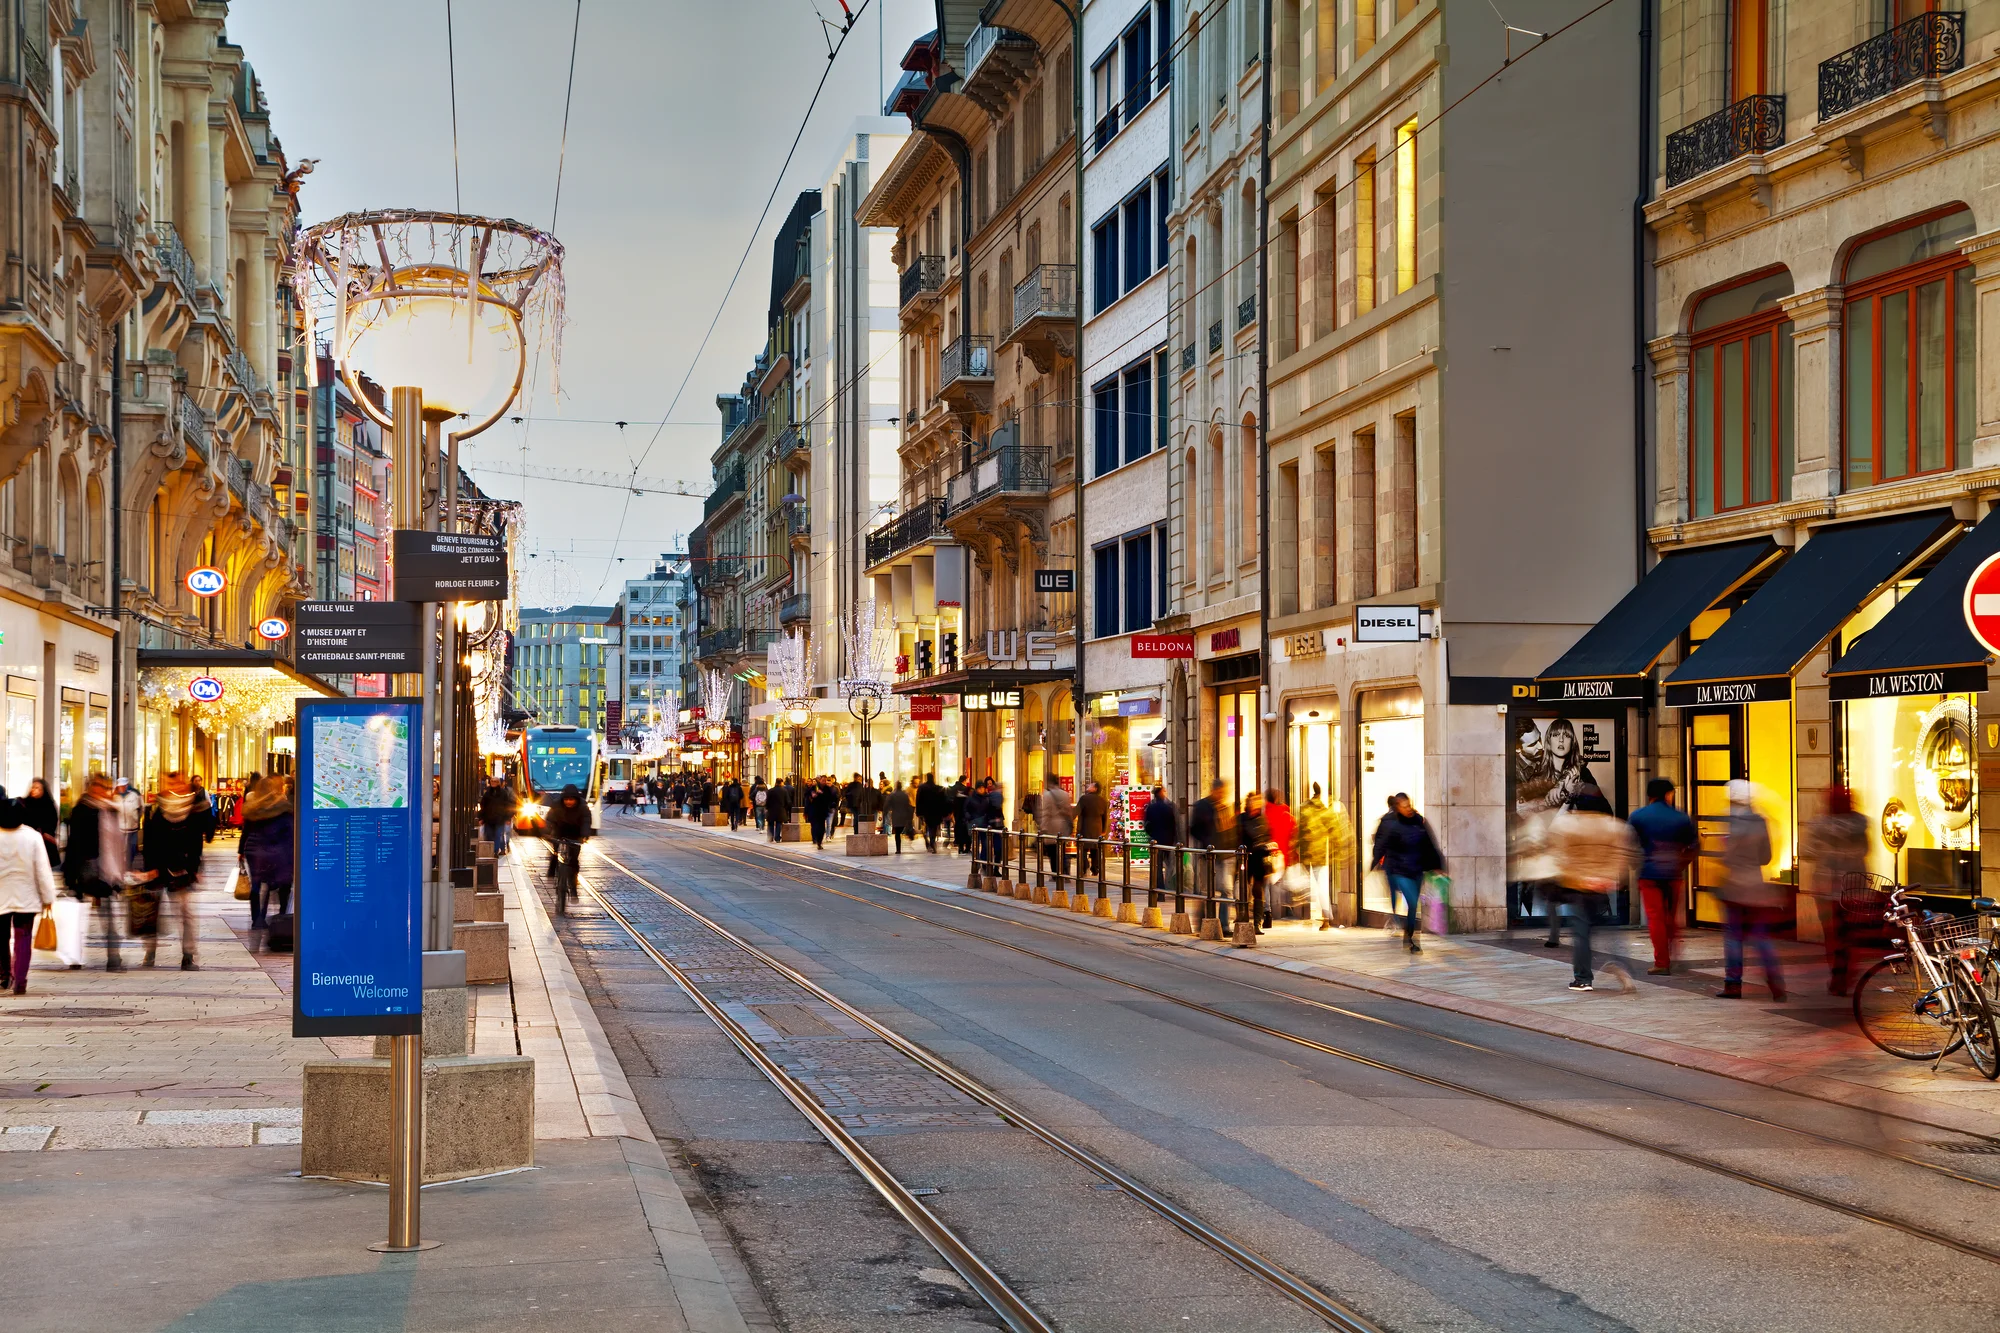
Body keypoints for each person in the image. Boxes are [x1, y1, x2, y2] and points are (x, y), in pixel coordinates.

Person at [1547, 780, 1637, 991]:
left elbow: (1560, 857)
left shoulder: (1568, 826)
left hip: (1579, 887)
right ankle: (1622, 967)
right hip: (1602, 885)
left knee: (1582, 934)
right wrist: (1611, 878)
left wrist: (1575, 878)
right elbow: (1622, 855)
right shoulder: (1612, 826)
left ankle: (1583, 978)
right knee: (1610, 930)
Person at [1718, 779, 1785, 1001]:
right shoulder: (1760, 821)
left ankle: (1733, 984)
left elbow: (1726, 856)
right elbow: (1767, 857)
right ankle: (1775, 981)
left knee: (1734, 936)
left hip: (1735, 886)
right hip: (1756, 886)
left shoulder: (1729, 820)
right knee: (1760, 936)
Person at [1802, 785, 1868, 996]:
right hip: (1854, 887)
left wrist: (1825, 852)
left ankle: (1838, 977)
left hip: (1826, 887)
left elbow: (1806, 851)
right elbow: (1866, 850)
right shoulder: (1860, 823)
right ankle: (1848, 972)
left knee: (1832, 934)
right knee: (1851, 933)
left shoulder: (1819, 824)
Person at [142, 771, 212, 970]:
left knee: (186, 913)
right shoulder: (156, 809)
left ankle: (187, 955)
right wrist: (149, 868)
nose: (177, 787)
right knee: (151, 913)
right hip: (158, 868)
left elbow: (197, 841)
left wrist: (194, 868)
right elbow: (149, 842)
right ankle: (150, 952)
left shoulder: (192, 810)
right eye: (172, 783)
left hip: (182, 869)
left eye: (180, 784)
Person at [1628, 778, 1696, 975]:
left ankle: (1662, 961)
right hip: (1673, 874)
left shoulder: (1638, 816)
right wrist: (1681, 864)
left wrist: (1636, 865)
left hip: (1649, 873)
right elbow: (1693, 846)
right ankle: (1675, 955)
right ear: (1669, 794)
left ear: (1649, 796)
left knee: (1656, 918)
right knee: (1671, 918)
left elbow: (1629, 844)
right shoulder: (1681, 817)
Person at [63, 775, 125, 970]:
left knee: (107, 915)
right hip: (86, 869)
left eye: (108, 787)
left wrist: (120, 873)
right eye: (101, 786)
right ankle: (76, 956)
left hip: (106, 870)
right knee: (80, 916)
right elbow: (73, 844)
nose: (105, 790)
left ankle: (113, 958)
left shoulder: (110, 809)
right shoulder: (82, 809)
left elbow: (117, 843)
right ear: (92, 787)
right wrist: (69, 876)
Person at [1371, 793, 1442, 954]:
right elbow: (1381, 843)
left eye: (1409, 805)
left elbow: (1429, 843)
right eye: (1404, 807)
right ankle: (1412, 939)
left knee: (1413, 906)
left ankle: (1409, 936)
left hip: (1417, 869)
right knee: (1411, 901)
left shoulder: (1418, 821)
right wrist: (1373, 863)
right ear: (1397, 808)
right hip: (1399, 870)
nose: (1408, 809)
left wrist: (1437, 864)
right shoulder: (1390, 823)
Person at [0, 797, 56, 994]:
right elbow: (42, 869)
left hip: (1, 897)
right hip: (27, 897)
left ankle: (5, 974)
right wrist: (48, 897)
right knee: (23, 938)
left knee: (1, 938)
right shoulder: (32, 836)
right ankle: (20, 980)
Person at [1292, 784, 1354, 930]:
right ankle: (1326, 917)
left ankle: (1323, 914)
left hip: (1307, 854)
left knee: (1312, 884)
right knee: (1322, 887)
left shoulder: (1304, 808)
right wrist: (1341, 852)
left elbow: (1299, 831)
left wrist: (1296, 848)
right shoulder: (1325, 811)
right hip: (1321, 855)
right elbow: (1335, 833)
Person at [238, 774, 295, 932]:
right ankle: (281, 914)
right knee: (280, 883)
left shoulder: (252, 806)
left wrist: (241, 850)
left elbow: (246, 830)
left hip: (253, 849)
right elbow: (288, 830)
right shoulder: (281, 806)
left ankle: (257, 918)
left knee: (256, 884)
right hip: (273, 848)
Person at [544, 784, 592, 900]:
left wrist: (585, 835)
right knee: (555, 850)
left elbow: (586, 821)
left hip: (575, 833)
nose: (569, 802)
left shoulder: (582, 807)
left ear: (576, 799)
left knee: (574, 859)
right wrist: (546, 832)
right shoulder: (556, 805)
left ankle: (573, 885)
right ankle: (552, 870)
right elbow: (550, 820)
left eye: (571, 800)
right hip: (560, 830)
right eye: (566, 799)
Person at [1241, 790, 1275, 931]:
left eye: (1258, 802)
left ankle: (1257, 924)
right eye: (1254, 802)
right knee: (1243, 891)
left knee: (1258, 891)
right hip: (1245, 859)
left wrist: (1269, 846)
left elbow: (1267, 836)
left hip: (1259, 860)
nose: (1256, 804)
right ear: (1248, 803)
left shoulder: (1262, 819)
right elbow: (1240, 838)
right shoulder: (1242, 819)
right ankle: (1242, 919)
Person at [1263, 787, 1295, 918]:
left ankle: (1268, 911)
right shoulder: (1286, 814)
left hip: (1270, 853)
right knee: (1281, 880)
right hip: (1283, 853)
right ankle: (1287, 900)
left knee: (1266, 883)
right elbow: (1293, 832)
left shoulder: (1265, 814)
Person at [1142, 787, 1179, 898]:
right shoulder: (1169, 807)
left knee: (1157, 867)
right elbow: (1174, 825)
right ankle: (1174, 889)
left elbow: (1147, 824)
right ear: (1161, 794)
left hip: (1155, 841)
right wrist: (1175, 839)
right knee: (1170, 865)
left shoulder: (1151, 808)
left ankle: (1160, 891)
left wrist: (1151, 835)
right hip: (1168, 841)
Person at [20, 778, 59, 869]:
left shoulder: (49, 805)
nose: (34, 790)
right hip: (27, 843)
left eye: (38, 788)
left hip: (44, 844)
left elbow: (52, 823)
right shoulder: (24, 803)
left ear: (43, 790)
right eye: (33, 787)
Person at [1038, 781, 1074, 877]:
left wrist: (1043, 826)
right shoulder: (1065, 794)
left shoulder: (1047, 795)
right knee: (1061, 849)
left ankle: (1055, 872)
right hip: (1063, 826)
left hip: (1051, 826)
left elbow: (1046, 813)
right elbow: (1069, 811)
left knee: (1052, 851)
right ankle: (1064, 871)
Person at [1075, 780, 1110, 877]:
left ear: (1095, 788)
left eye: (1091, 785)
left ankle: (1084, 866)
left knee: (1083, 848)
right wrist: (1103, 830)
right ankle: (1095, 868)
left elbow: (1077, 812)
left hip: (1085, 827)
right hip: (1097, 828)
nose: (1088, 786)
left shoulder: (1084, 799)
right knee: (1095, 849)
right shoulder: (1102, 800)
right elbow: (1105, 817)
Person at [478, 776, 518, 853]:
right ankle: (492, 851)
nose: (493, 783)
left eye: (495, 781)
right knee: (489, 835)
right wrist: (481, 818)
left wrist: (508, 818)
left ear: (498, 783)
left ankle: (495, 851)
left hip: (500, 819)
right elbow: (483, 806)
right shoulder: (487, 793)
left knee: (498, 835)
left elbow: (508, 806)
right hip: (489, 819)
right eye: (492, 781)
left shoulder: (503, 793)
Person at [113, 776, 143, 867]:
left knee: (132, 848)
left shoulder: (135, 794)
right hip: (120, 828)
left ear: (126, 786)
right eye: (119, 787)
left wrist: (136, 819)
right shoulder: (115, 796)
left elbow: (141, 808)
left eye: (122, 786)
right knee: (121, 849)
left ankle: (128, 864)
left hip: (133, 827)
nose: (120, 788)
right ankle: (123, 866)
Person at [916, 772, 949, 852]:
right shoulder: (938, 788)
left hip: (926, 811)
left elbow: (918, 800)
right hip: (936, 811)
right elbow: (943, 801)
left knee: (927, 827)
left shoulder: (922, 788)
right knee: (933, 827)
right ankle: (932, 841)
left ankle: (930, 842)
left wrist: (918, 812)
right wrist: (944, 812)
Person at [884, 779, 916, 853]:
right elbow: (908, 805)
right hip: (904, 816)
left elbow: (887, 804)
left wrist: (885, 812)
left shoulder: (892, 795)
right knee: (902, 830)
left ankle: (898, 849)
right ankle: (908, 836)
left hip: (896, 816)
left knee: (897, 833)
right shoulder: (905, 795)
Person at [807, 778, 838, 849]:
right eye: (822, 780)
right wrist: (813, 795)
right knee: (816, 826)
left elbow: (831, 798)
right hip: (815, 811)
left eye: (825, 780)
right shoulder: (814, 787)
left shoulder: (827, 789)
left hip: (823, 811)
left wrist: (822, 794)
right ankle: (816, 840)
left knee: (822, 827)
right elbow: (807, 795)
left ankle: (819, 842)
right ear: (820, 780)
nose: (824, 782)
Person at [950, 775, 972, 853]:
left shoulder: (953, 789)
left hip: (957, 813)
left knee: (959, 829)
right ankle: (967, 847)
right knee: (966, 830)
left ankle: (960, 847)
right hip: (965, 814)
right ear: (964, 780)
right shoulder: (966, 790)